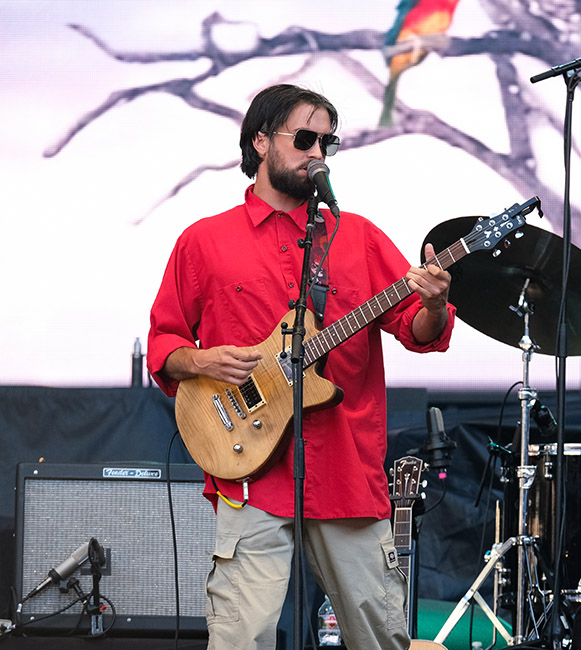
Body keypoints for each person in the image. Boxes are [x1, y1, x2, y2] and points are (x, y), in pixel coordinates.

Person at [147, 84, 455, 650]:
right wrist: (200, 358)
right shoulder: (204, 241)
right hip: (247, 467)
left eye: (327, 144)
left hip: (344, 467)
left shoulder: (356, 236)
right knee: (243, 636)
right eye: (305, 138)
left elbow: (417, 330)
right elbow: (163, 342)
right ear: (261, 141)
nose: (318, 153)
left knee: (379, 634)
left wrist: (433, 303)